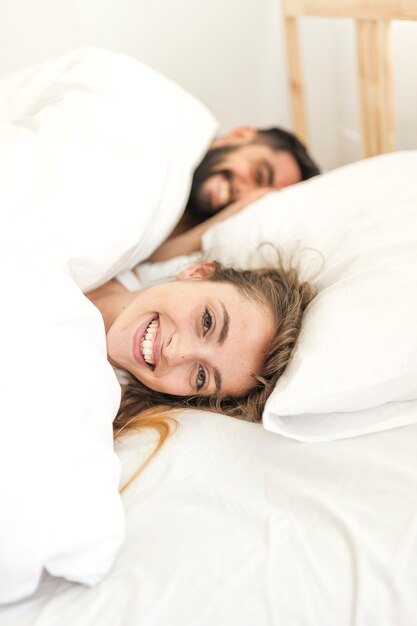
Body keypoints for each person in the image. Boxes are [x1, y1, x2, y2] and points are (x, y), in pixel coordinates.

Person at [86, 257, 316, 488]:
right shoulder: (117, 251)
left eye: (201, 377)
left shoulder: (89, 407)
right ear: (198, 271)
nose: (175, 352)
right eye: (207, 322)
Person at [148, 125, 320, 262]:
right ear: (240, 135)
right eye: (259, 174)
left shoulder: (192, 219)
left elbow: (145, 256)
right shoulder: (160, 138)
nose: (243, 195)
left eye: (258, 198)